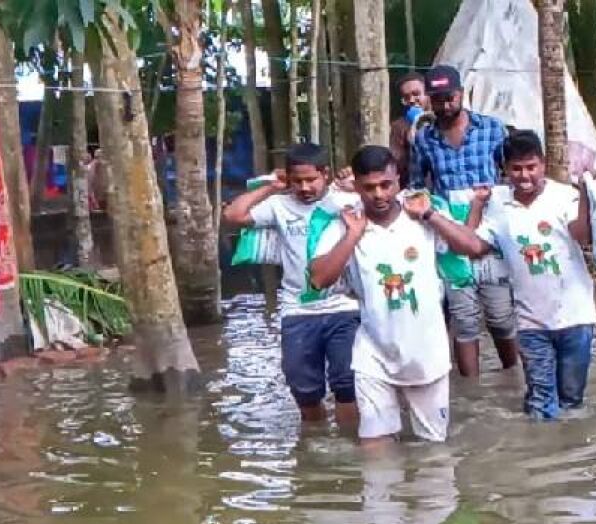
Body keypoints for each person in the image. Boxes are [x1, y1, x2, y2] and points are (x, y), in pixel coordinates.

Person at [309, 146, 485, 446]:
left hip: (427, 354)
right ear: (356, 187)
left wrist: (429, 215)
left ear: (398, 181)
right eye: (369, 187)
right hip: (373, 354)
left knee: (433, 452)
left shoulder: (422, 212)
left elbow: (474, 247)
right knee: (375, 448)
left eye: (385, 185)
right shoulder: (346, 222)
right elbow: (318, 280)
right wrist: (353, 235)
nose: (378, 194)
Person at [436, 130, 596, 421]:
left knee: (571, 401)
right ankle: (541, 446)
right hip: (530, 321)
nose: (525, 176)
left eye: (531, 167)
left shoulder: (566, 196)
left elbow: (583, 236)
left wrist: (587, 191)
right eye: (516, 168)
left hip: (576, 317)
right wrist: (442, 214)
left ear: (543, 164)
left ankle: (569, 447)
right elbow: (472, 247)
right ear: (505, 170)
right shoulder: (498, 203)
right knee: (541, 404)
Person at [222, 142, 361, 425]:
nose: (304, 187)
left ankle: (347, 444)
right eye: (297, 181)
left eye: (311, 179)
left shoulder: (344, 202)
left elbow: (385, 201)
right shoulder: (278, 205)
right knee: (303, 388)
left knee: (347, 384)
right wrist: (271, 186)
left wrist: (355, 185)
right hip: (297, 309)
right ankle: (315, 441)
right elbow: (233, 216)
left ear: (325, 174)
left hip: (343, 305)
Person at [409, 64, 519, 379]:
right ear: (429, 100)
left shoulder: (492, 129)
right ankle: (472, 390)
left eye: (450, 98)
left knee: (501, 315)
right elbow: (417, 184)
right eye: (438, 100)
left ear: (461, 94)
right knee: (464, 319)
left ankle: (514, 377)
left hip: (489, 233)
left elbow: (510, 173)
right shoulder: (425, 139)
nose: (445, 105)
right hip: (450, 235)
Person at [388, 72, 431, 187]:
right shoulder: (399, 126)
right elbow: (396, 163)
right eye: (406, 97)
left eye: (416, 94)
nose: (411, 100)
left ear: (427, 94)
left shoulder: (442, 119)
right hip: (413, 186)